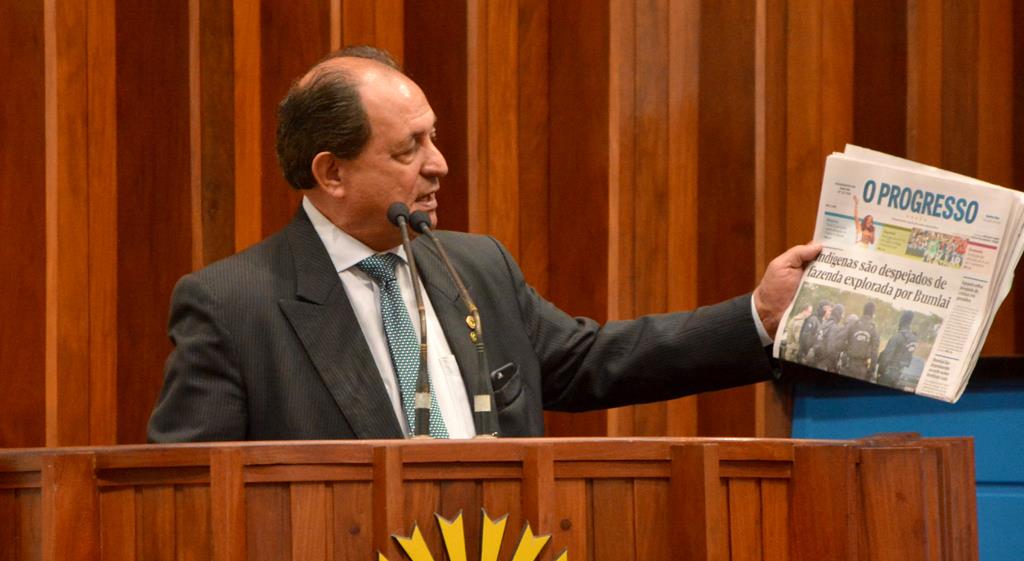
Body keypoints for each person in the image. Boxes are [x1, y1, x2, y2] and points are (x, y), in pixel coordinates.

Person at [147, 46, 821, 442]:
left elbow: (594, 362)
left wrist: (759, 316)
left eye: (433, 137)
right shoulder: (234, 306)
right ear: (332, 173)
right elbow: (192, 494)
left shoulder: (475, 268)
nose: (439, 165)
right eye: (408, 149)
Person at [837, 302, 879, 379]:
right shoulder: (874, 329)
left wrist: (847, 350)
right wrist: (871, 371)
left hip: (848, 365)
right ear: (873, 314)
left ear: (863, 311)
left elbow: (840, 342)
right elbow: (874, 353)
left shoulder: (853, 324)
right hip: (862, 369)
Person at [876, 310, 917, 388]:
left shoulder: (897, 337)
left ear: (901, 320)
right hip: (900, 375)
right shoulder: (913, 339)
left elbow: (886, 357)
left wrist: (880, 372)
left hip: (888, 374)